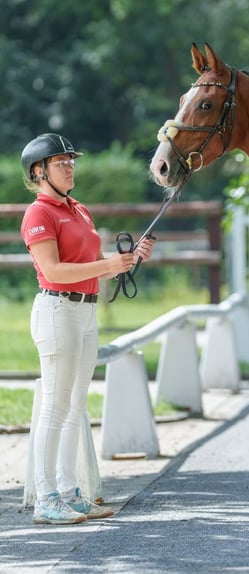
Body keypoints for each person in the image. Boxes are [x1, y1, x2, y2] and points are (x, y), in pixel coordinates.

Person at [19, 133, 155, 525]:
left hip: (86, 311)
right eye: (61, 162)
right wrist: (109, 265)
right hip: (57, 311)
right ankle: (46, 498)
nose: (70, 167)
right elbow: (55, 271)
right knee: (55, 407)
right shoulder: (38, 214)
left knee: (75, 407)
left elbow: (90, 262)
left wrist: (127, 260)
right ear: (39, 172)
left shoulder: (78, 209)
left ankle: (68, 492)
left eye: (70, 160)